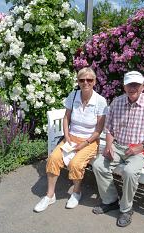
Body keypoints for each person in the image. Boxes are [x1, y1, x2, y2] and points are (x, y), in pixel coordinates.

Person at [92, 71, 144, 227]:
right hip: (118, 146)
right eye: (129, 84)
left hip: (139, 150)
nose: (133, 88)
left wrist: (140, 147)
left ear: (143, 87)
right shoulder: (116, 102)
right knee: (98, 165)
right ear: (124, 86)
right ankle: (110, 200)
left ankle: (126, 209)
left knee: (129, 172)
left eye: (136, 85)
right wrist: (109, 145)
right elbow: (109, 128)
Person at [34, 67, 107, 212]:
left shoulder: (100, 101)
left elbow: (98, 130)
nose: (85, 82)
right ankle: (50, 195)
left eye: (89, 80)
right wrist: (67, 136)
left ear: (94, 82)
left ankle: (76, 192)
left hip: (89, 141)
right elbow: (66, 118)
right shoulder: (73, 96)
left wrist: (84, 144)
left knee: (75, 164)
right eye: (82, 80)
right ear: (78, 82)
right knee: (53, 158)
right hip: (71, 137)